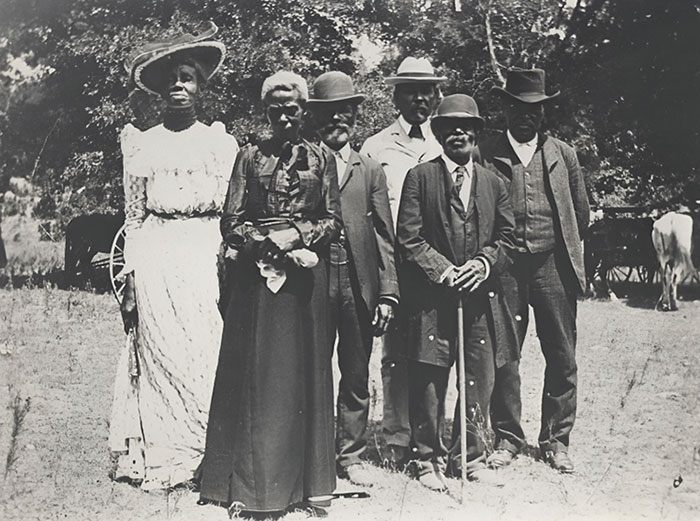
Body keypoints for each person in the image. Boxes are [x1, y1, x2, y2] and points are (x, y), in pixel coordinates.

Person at [199, 71, 342, 518]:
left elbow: (333, 219)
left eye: (292, 108)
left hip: (304, 284)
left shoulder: (321, 158)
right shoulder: (248, 156)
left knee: (303, 375)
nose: (284, 115)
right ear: (266, 111)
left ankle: (304, 487)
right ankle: (251, 489)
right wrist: (267, 245)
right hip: (256, 283)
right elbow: (231, 220)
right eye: (275, 108)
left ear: (304, 112)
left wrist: (297, 235)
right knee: (257, 377)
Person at [109, 23, 239, 490]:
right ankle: (165, 455)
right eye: (172, 80)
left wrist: (230, 263)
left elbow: (231, 213)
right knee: (161, 353)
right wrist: (131, 276)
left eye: (187, 78)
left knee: (204, 350)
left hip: (205, 255)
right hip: (159, 256)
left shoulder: (219, 144)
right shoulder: (142, 144)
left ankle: (207, 452)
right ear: (161, 91)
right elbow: (136, 216)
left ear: (201, 86)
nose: (179, 86)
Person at [396, 94, 517, 490]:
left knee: (477, 378)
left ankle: (470, 456)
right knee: (430, 377)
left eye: (466, 127)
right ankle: (425, 458)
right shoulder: (421, 177)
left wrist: (482, 264)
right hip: (432, 299)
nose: (458, 133)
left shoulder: (494, 182)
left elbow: (507, 238)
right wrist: (445, 271)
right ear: (439, 133)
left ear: (477, 134)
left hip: (479, 299)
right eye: (449, 127)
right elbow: (409, 239)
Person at [480, 67, 590, 473]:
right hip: (505, 268)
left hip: (552, 266)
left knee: (561, 354)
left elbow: (580, 212)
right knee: (504, 355)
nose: (526, 115)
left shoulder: (564, 155)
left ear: (544, 113)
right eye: (518, 107)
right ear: (505, 109)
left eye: (535, 109)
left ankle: (557, 440)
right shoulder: (485, 152)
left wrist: (560, 250)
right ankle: (507, 437)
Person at [307, 71, 399, 486]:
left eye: (344, 112)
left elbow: (384, 234)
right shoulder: (303, 162)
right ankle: (312, 451)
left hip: (359, 282)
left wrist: (388, 293)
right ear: (316, 118)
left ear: (355, 117)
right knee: (311, 367)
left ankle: (352, 454)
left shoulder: (371, 169)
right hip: (313, 281)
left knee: (356, 372)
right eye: (328, 113)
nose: (337, 121)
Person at [359, 56, 445, 467]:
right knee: (394, 352)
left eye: (427, 90)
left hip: (434, 267)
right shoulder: (375, 147)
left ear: (436, 95)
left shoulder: (446, 143)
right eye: (411, 90)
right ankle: (395, 438)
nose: (420, 98)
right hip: (392, 264)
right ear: (396, 95)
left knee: (431, 353)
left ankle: (431, 435)